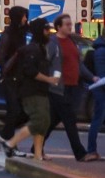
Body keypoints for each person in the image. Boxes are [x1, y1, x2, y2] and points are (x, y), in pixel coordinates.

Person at [45, 13, 98, 161]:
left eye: (70, 24)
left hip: (72, 86)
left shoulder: (71, 41)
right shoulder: (53, 42)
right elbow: (46, 62)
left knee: (53, 119)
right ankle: (80, 154)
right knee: (69, 120)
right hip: (58, 87)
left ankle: (36, 145)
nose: (70, 26)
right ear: (59, 27)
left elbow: (78, 64)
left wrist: (92, 77)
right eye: (67, 24)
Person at [3, 18, 58, 160]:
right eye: (46, 30)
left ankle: (38, 154)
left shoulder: (39, 48)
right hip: (31, 91)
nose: (49, 33)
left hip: (40, 90)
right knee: (39, 120)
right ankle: (10, 143)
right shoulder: (33, 49)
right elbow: (30, 71)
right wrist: (49, 80)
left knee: (44, 121)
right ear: (41, 31)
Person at [0, 6, 30, 140]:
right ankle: (6, 138)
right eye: (23, 16)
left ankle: (5, 136)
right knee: (14, 110)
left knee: (22, 112)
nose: (25, 19)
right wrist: (16, 56)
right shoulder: (7, 35)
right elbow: (0, 58)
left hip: (21, 77)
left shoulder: (21, 33)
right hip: (10, 78)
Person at [87, 28, 105, 158]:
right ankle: (91, 149)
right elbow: (101, 73)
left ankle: (92, 149)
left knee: (98, 119)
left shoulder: (100, 48)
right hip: (101, 89)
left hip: (100, 88)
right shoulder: (101, 50)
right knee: (98, 119)